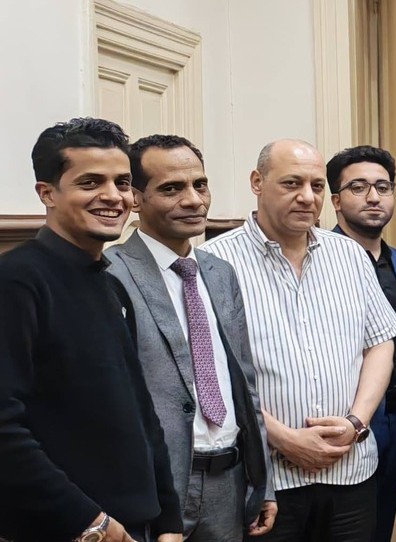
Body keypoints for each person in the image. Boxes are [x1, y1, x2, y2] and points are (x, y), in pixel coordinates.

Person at [204, 138, 396, 541]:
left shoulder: (349, 255)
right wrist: (283, 438)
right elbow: (208, 374)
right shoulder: (213, 262)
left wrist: (356, 422)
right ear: (257, 182)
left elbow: (380, 343)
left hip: (350, 472)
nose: (307, 197)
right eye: (291, 183)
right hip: (267, 481)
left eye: (316, 186)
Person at [0, 118, 184, 542]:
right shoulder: (16, 281)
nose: (113, 196)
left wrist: (169, 520)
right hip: (69, 529)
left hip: (133, 526)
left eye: (122, 183)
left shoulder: (109, 284)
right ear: (47, 193)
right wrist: (89, 522)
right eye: (90, 182)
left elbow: (142, 413)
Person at [107, 134, 276, 540]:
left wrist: (263, 481)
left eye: (200, 185)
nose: (194, 200)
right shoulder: (110, 274)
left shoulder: (219, 272)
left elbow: (245, 384)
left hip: (229, 481)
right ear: (135, 198)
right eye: (171, 189)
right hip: (155, 488)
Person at [324, 145, 396, 542]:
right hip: (343, 420)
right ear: (336, 200)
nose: (373, 197)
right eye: (358, 187)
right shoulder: (318, 260)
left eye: (383, 187)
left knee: (380, 527)